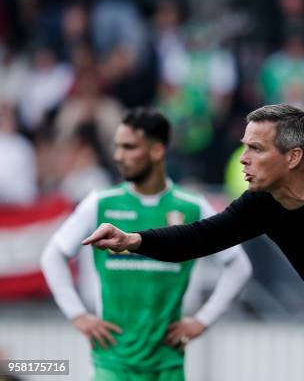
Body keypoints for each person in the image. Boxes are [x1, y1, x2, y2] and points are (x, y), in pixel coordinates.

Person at [83, 104, 304, 380]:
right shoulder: (262, 203)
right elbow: (199, 238)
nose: (243, 158)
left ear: (293, 157)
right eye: (245, 146)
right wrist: (134, 240)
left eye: (256, 148)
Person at [41, 109, 252, 381]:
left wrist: (202, 320)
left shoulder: (190, 206)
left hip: (167, 364)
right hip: (113, 363)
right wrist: (77, 314)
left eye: (129, 147)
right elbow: (53, 256)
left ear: (157, 151)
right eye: (117, 147)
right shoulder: (101, 204)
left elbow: (239, 265)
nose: (118, 156)